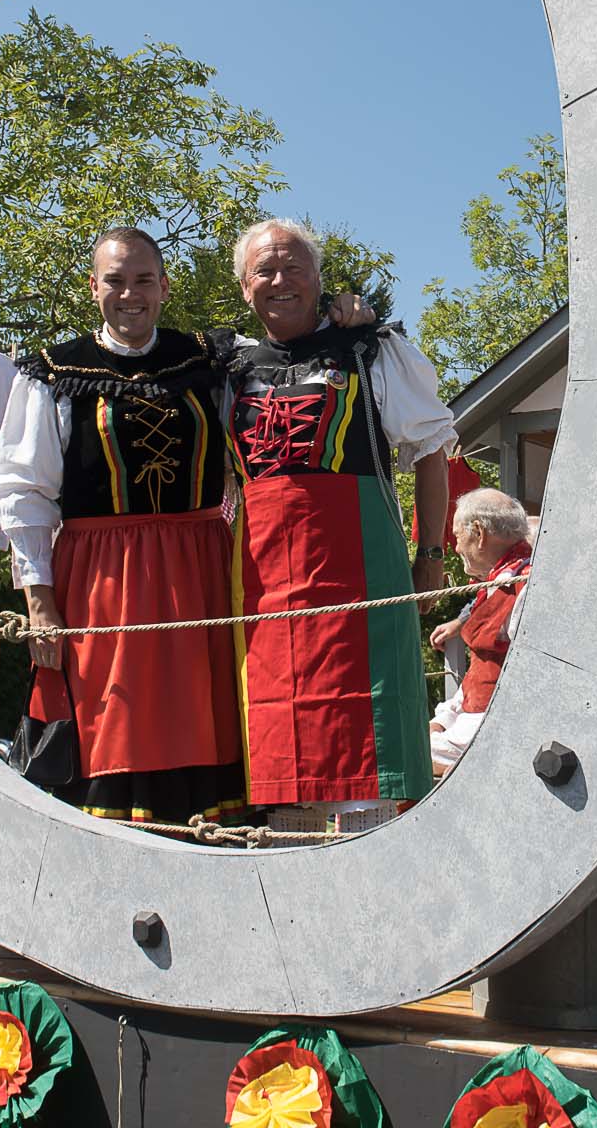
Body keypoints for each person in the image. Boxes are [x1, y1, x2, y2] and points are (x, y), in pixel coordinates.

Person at [0, 226, 369, 825]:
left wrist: (346, 312)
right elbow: (22, 495)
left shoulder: (212, 359)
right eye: (115, 281)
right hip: (102, 582)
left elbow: (290, 339)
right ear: (94, 288)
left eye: (143, 280)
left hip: (202, 571)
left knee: (208, 721)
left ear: (164, 287)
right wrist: (39, 604)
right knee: (116, 726)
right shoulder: (56, 373)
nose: (130, 294)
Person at [227, 218, 457, 826]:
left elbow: (432, 453)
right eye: (265, 271)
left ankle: (374, 890)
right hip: (260, 581)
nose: (281, 281)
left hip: (361, 568)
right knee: (279, 752)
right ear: (245, 289)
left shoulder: (369, 348)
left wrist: (430, 555)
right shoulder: (227, 368)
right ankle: (285, 895)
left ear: (319, 280)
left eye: (294, 267)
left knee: (365, 746)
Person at [426, 489, 533, 775]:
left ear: (479, 533)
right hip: (476, 724)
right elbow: (479, 674)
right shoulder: (499, 582)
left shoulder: (526, 585)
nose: (457, 548)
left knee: (393, 753)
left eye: (458, 537)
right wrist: (442, 721)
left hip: (500, 734)